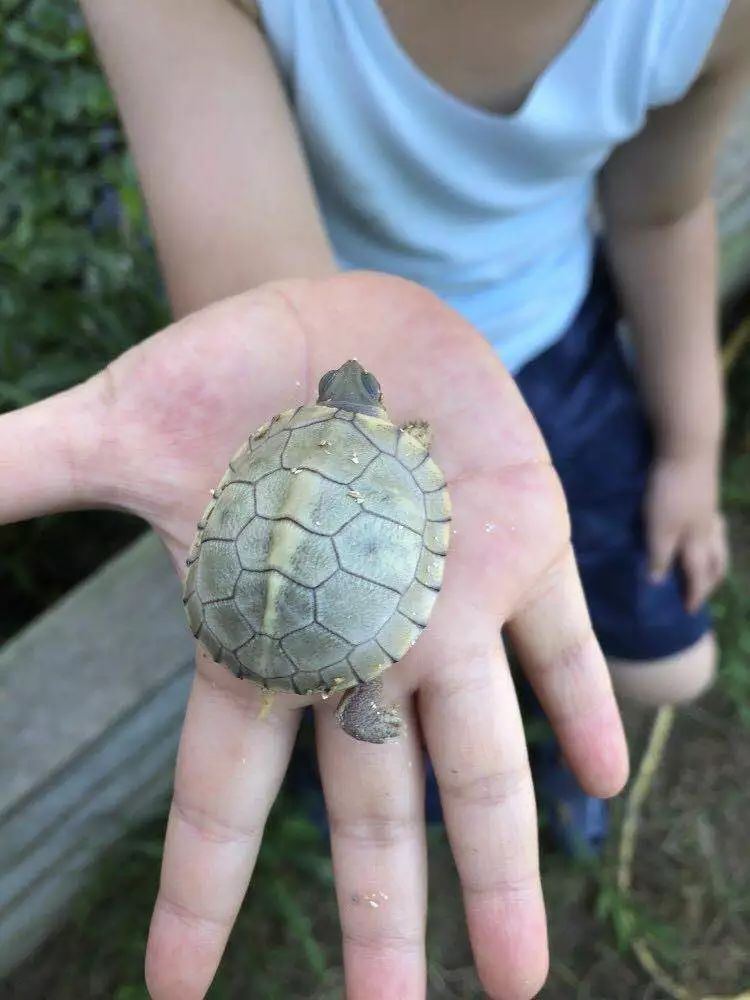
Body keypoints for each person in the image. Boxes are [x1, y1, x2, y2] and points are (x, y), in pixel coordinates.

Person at [3, 0, 749, 996]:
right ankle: (396, 741)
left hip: (560, 346)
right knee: (399, 687)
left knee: (658, 664)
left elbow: (663, 209)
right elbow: (268, 295)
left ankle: (499, 732)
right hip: (384, 418)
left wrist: (690, 450)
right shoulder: (407, 457)